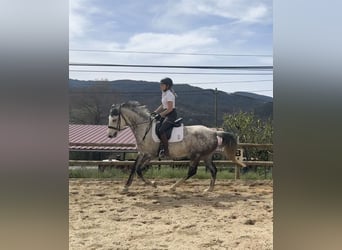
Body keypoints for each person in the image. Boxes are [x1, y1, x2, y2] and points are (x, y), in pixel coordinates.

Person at [153, 77, 177, 158]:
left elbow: (169, 108)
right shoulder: (164, 93)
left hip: (171, 114)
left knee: (161, 129)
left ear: (167, 86)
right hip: (166, 113)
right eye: (160, 84)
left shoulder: (169, 94)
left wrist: (160, 115)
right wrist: (155, 112)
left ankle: (166, 151)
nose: (160, 86)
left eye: (162, 85)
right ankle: (159, 148)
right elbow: (163, 106)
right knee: (156, 127)